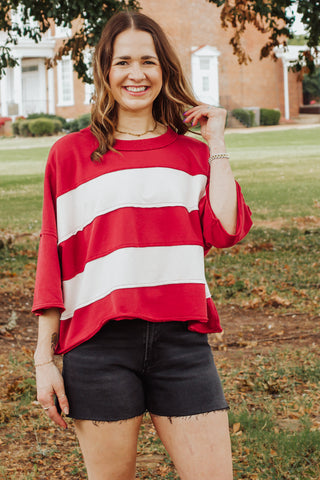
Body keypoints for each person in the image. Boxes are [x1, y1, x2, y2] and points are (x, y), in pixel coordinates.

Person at [33, 10, 252, 480]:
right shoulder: (70, 155)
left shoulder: (192, 153)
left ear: (164, 70)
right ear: (105, 71)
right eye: (123, 62)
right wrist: (43, 360)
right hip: (98, 346)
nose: (137, 74)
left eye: (149, 62)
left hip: (182, 344)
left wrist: (215, 142)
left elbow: (226, 230)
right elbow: (53, 258)